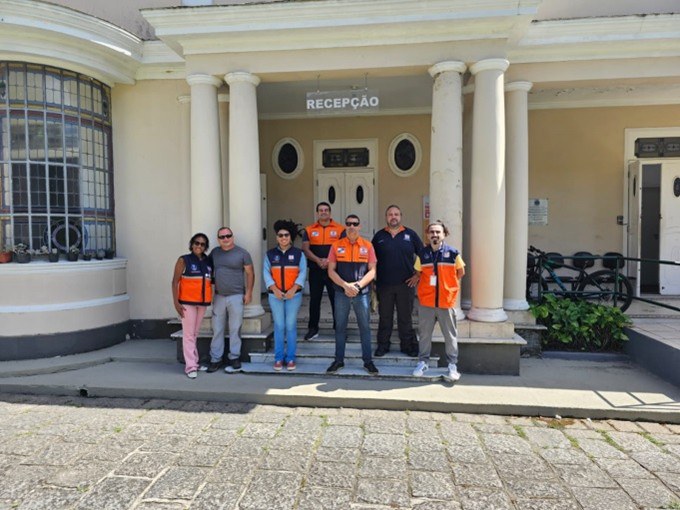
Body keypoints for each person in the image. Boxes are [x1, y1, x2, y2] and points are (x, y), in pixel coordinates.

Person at [326, 214, 379, 375]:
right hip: (341, 293)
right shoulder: (336, 246)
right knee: (340, 327)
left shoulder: (368, 246)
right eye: (348, 223)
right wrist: (345, 285)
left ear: (359, 226)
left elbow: (372, 271)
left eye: (355, 224)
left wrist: (357, 285)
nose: (351, 226)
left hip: (361, 294)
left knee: (365, 328)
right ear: (345, 226)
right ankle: (338, 360)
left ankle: (368, 362)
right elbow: (331, 271)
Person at [412, 220, 465, 382]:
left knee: (450, 336)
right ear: (427, 235)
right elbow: (418, 273)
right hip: (426, 303)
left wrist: (448, 289)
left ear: (444, 234)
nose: (434, 235)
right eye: (432, 232)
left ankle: (452, 365)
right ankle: (423, 362)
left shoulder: (453, 253)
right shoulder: (422, 253)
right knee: (425, 335)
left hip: (445, 302)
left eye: (438, 232)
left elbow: (460, 272)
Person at [371, 205, 424, 358]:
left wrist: (417, 275)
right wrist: (372, 279)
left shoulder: (410, 234)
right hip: (384, 284)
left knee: (405, 317)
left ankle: (408, 346)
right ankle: (383, 346)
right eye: (390, 214)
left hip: (406, 284)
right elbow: (372, 259)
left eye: (396, 214)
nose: (393, 217)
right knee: (385, 317)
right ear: (386, 217)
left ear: (401, 216)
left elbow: (422, 255)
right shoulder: (379, 236)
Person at [206, 226, 254, 374]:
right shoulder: (214, 253)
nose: (226, 239)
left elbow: (250, 273)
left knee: (235, 328)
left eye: (228, 236)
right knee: (217, 329)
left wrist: (249, 292)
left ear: (232, 237)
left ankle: (234, 357)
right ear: (218, 239)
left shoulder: (242, 253)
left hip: (236, 295)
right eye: (222, 237)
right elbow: (207, 271)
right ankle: (215, 359)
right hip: (219, 296)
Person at [263, 219, 307, 371]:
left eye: (286, 235)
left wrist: (293, 289)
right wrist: (274, 288)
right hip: (275, 295)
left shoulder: (298, 254)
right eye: (280, 235)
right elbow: (266, 273)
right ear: (277, 237)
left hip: (293, 295)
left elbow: (302, 272)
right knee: (279, 325)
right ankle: (278, 358)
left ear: (291, 236)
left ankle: (290, 358)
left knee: (290, 325)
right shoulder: (270, 254)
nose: (283, 238)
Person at [171, 233, 213, 379]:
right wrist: (176, 302)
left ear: (205, 247)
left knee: (195, 333)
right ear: (191, 244)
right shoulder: (184, 260)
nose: (199, 246)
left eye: (202, 244)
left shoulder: (208, 261)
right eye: (196, 243)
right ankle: (190, 367)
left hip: (202, 303)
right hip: (187, 303)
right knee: (188, 334)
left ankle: (194, 362)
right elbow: (174, 281)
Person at [301, 202, 345, 340]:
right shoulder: (309, 230)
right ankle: (313, 329)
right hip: (315, 269)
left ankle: (339, 329)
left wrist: (329, 261)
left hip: (334, 270)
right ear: (317, 213)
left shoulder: (340, 229)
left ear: (330, 213)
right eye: (321, 210)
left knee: (336, 300)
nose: (323, 212)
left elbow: (342, 248)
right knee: (315, 300)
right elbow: (306, 249)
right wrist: (318, 260)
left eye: (326, 210)